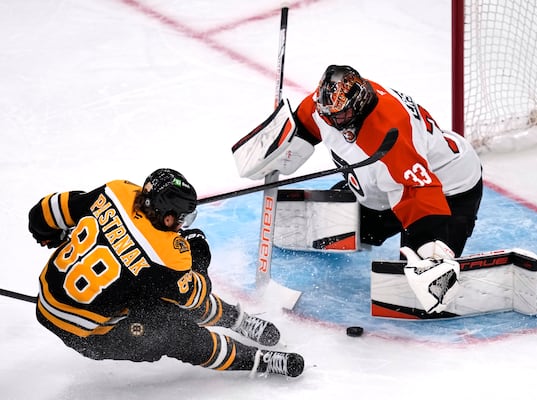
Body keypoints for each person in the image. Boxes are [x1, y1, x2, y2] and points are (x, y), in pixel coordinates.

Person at [28, 168, 304, 378]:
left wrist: (47, 234)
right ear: (166, 215)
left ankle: (236, 320)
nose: (183, 225)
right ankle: (257, 359)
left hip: (49, 298)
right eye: (182, 218)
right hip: (89, 335)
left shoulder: (116, 192)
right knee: (174, 333)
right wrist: (199, 255)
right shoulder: (165, 254)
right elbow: (195, 295)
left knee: (155, 291)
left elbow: (46, 212)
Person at [292, 64, 483, 260]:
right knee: (336, 228)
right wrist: (273, 148)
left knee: (422, 264)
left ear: (358, 103)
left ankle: (438, 252)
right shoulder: (330, 106)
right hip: (391, 186)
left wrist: (427, 244)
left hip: (449, 189)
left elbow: (416, 190)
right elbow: (300, 126)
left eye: (340, 115)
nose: (333, 121)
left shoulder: (391, 131)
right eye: (329, 116)